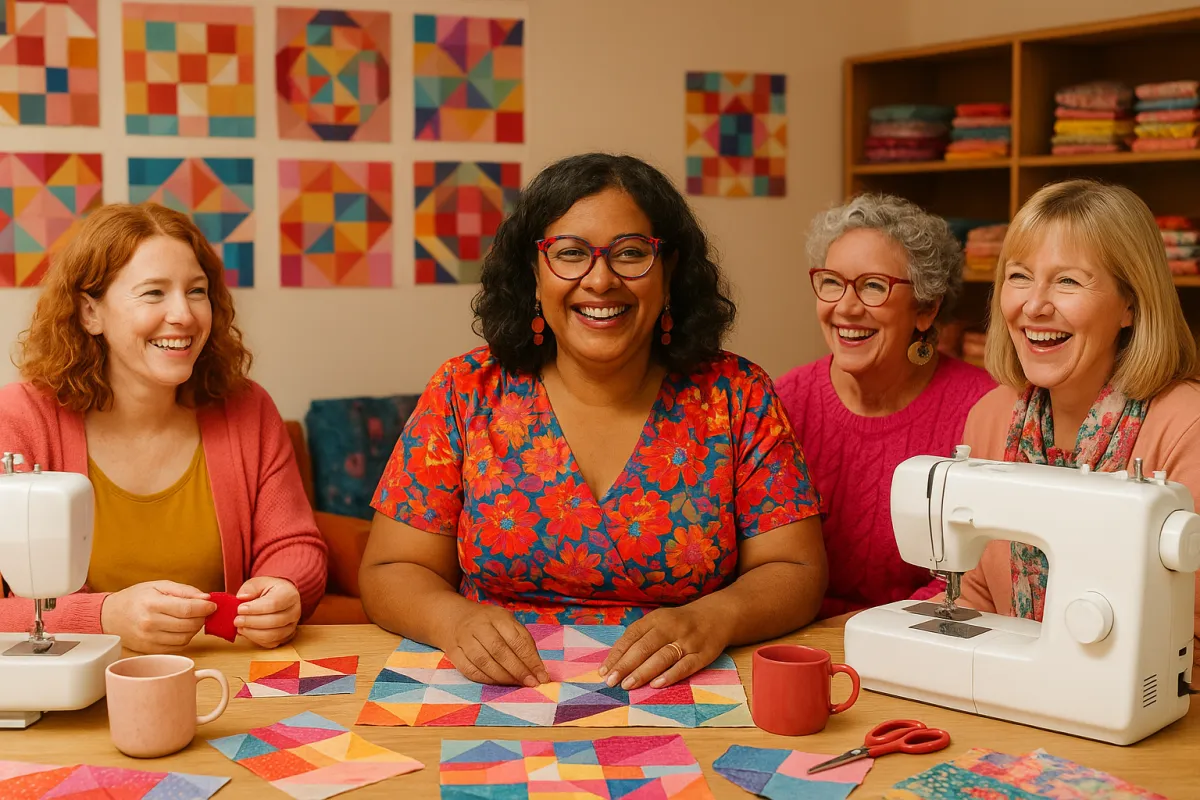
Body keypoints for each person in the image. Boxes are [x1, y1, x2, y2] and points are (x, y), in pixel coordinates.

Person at [361, 153, 827, 691]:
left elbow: (796, 571)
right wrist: (453, 620)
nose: (600, 280)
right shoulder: (464, 392)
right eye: (571, 254)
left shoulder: (736, 395)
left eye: (630, 254)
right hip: (493, 691)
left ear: (670, 271)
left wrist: (715, 618)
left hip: (689, 689)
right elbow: (390, 570)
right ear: (533, 275)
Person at [0, 203, 328, 653]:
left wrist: (284, 586)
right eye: (154, 293)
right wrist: (104, 616)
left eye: (197, 291)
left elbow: (293, 543)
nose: (185, 315)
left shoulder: (247, 408)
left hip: (222, 677)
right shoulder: (18, 419)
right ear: (89, 313)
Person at [955, 179, 1200, 680]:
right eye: (1020, 276)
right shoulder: (990, 417)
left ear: (1131, 303)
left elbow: (1191, 637)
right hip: (1015, 694)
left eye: (1067, 281)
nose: (1035, 305)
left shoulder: (1185, 427)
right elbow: (973, 594)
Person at [776, 194, 994, 618]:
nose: (846, 306)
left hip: (919, 641)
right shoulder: (784, 401)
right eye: (832, 282)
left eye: (873, 286)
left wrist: (865, 635)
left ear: (926, 309)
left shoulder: (982, 410)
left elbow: (974, 577)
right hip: (794, 634)